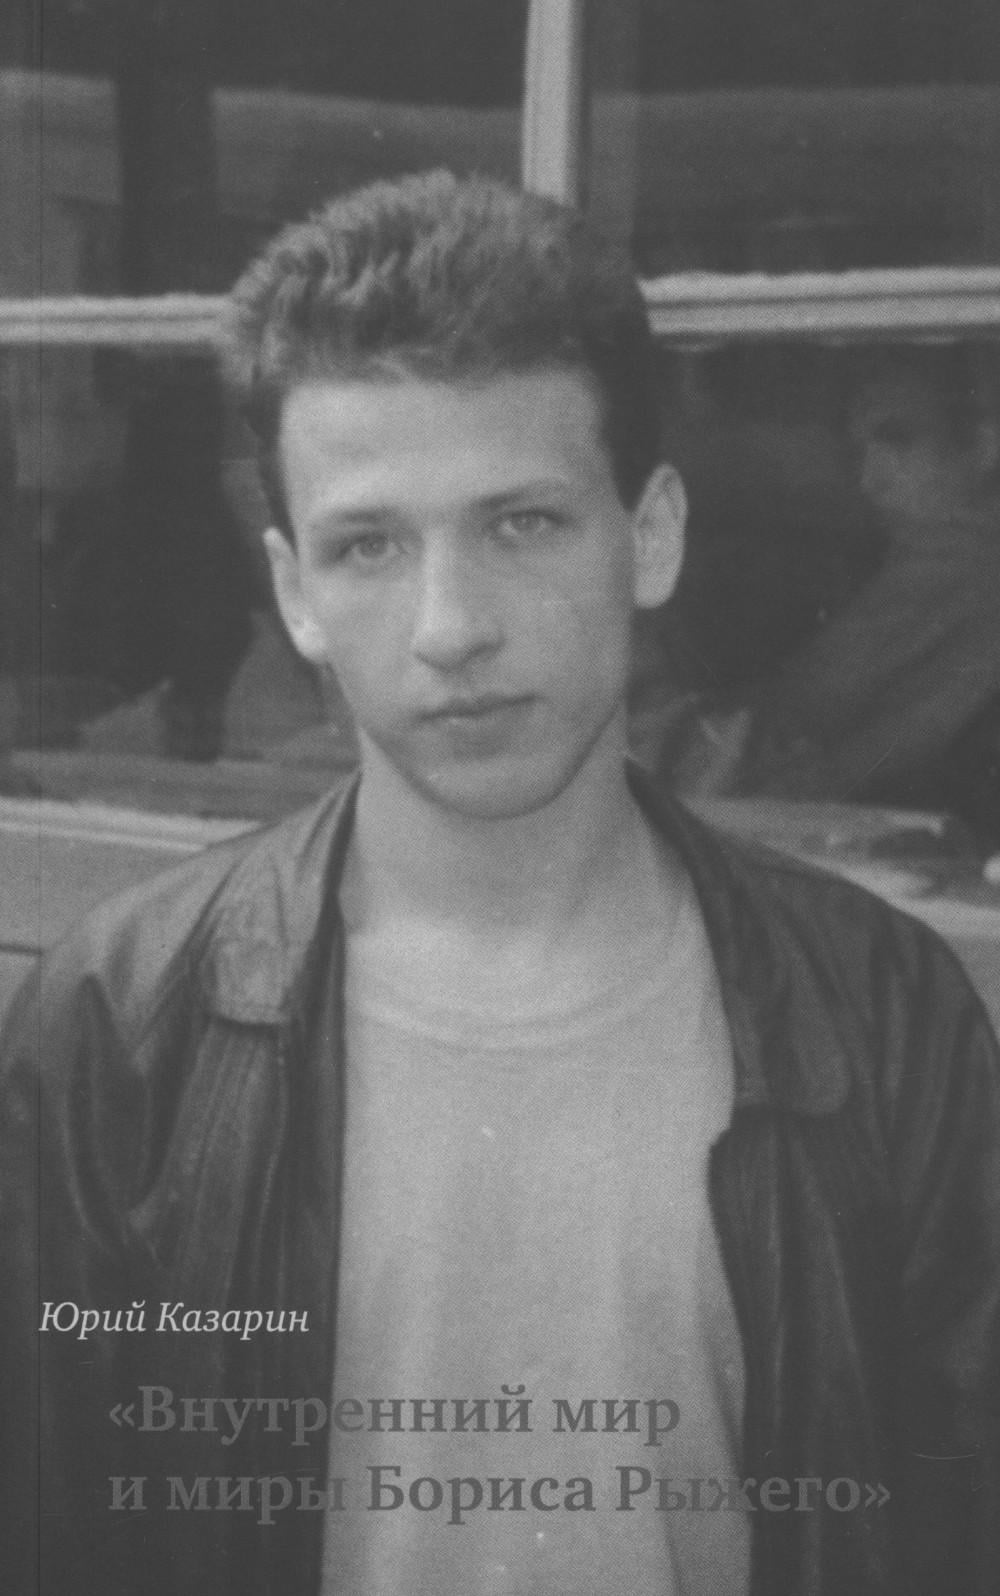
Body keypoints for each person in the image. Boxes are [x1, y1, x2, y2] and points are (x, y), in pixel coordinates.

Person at [2, 171, 999, 1596]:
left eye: (522, 523)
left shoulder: (886, 1015)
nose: (451, 626)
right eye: (368, 545)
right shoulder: (119, 1018)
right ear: (293, 592)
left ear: (650, 536)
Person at [734, 348, 1000, 840]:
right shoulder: (940, 565)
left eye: (899, 441)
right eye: (858, 453)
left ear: (983, 448)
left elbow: (802, 706)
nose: (869, 481)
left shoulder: (958, 568)